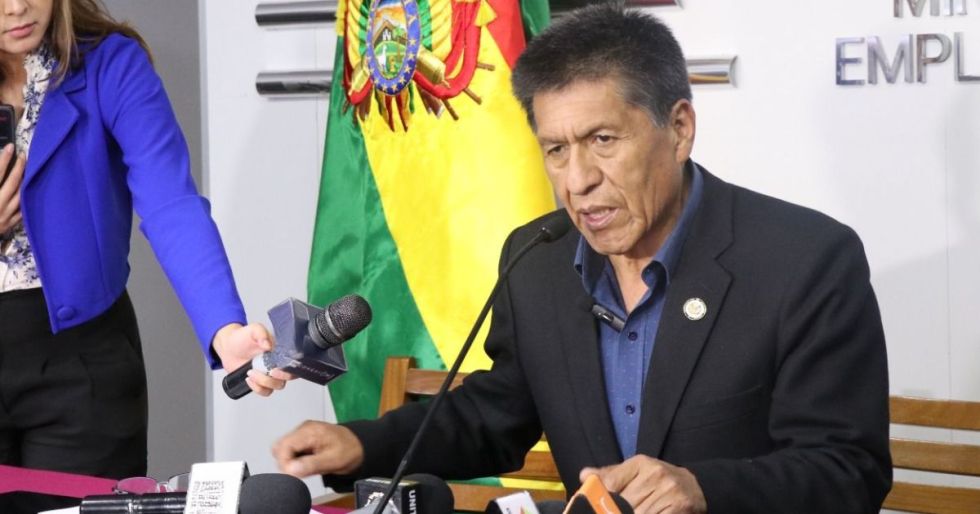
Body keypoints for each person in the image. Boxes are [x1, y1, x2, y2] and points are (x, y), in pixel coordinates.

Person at [272, 5, 891, 513]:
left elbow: (848, 471)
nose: (578, 180)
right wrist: (359, 445)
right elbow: (497, 414)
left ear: (679, 129)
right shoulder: (539, 259)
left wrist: (703, 489)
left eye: (603, 140)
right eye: (556, 150)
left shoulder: (804, 260)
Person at [0, 0, 289, 479]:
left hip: (82, 376)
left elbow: (171, 204)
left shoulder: (112, 64)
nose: (17, 7)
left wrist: (225, 328)